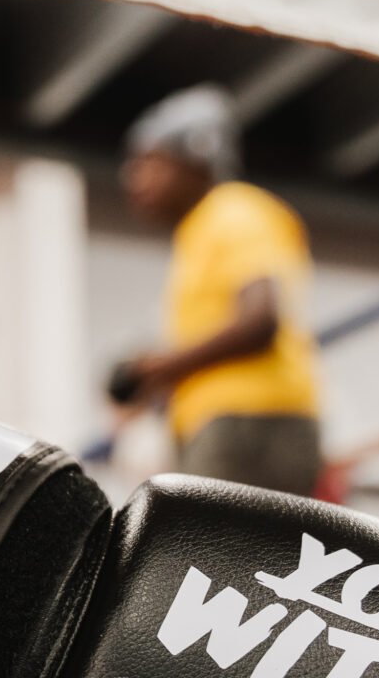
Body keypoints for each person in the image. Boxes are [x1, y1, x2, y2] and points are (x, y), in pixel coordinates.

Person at [105, 84, 323, 497]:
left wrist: (160, 369)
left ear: (194, 155)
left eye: (149, 161)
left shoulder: (235, 210)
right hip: (234, 424)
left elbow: (260, 319)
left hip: (249, 422)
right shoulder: (200, 231)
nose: (134, 178)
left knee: (211, 556)